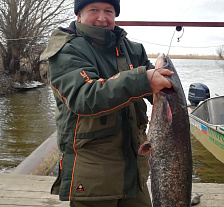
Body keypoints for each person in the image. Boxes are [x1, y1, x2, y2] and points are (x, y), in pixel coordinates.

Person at [40, 0, 173, 206]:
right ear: (79, 15)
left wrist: (167, 87)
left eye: (109, 11)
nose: (102, 18)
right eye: (94, 10)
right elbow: (85, 97)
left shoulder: (132, 49)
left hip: (134, 172)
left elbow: (156, 87)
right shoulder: (67, 50)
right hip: (93, 175)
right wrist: (143, 80)